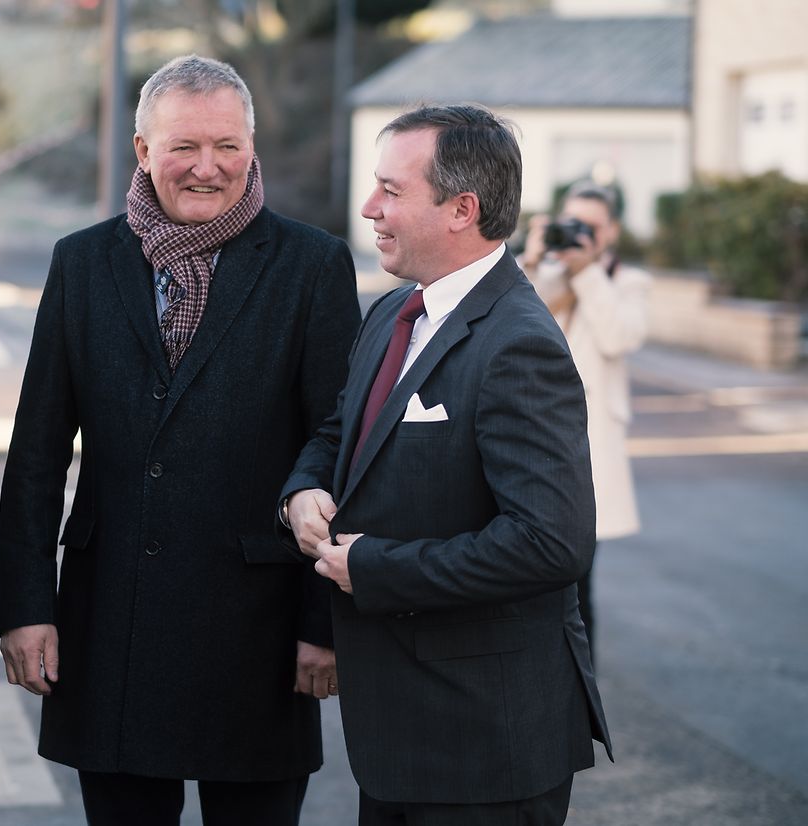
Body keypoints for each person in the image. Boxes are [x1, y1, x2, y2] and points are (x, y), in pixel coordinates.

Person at [0, 54, 360, 825]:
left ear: (252, 148)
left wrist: (321, 626)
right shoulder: (82, 263)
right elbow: (36, 454)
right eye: (184, 147)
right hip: (111, 627)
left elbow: (338, 447)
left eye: (227, 145)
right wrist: (25, 607)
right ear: (142, 151)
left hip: (258, 636)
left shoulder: (313, 266)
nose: (207, 168)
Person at [280, 104, 612, 826]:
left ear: (463, 209)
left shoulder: (520, 343)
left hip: (485, 750)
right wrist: (303, 490)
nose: (370, 208)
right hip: (402, 741)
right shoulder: (393, 312)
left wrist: (373, 568)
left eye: (392, 192)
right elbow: (339, 432)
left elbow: (551, 543)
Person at [521, 180, 649, 653]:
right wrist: (534, 258)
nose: (580, 235)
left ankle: (579, 689)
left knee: (577, 580)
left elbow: (618, 337)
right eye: (570, 223)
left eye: (591, 227)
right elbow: (504, 313)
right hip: (532, 440)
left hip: (590, 449)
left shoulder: (628, 282)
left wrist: (588, 272)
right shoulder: (542, 276)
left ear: (611, 231)